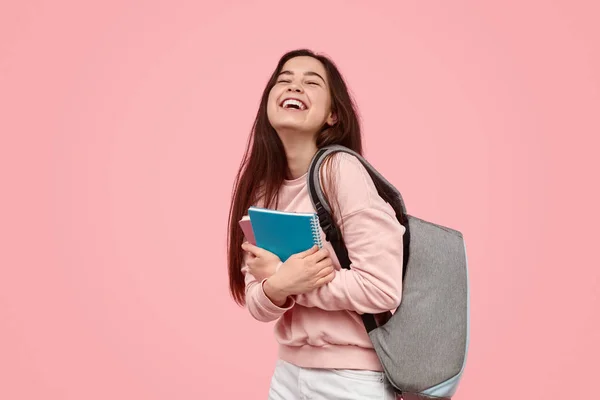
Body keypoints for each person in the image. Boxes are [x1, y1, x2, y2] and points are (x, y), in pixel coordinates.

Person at [227, 49, 405, 400]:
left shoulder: (340, 171)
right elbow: (255, 301)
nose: (295, 86)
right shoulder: (263, 189)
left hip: (351, 380)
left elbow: (383, 288)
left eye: (311, 82)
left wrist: (291, 281)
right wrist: (278, 284)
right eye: (284, 80)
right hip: (288, 376)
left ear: (333, 115)